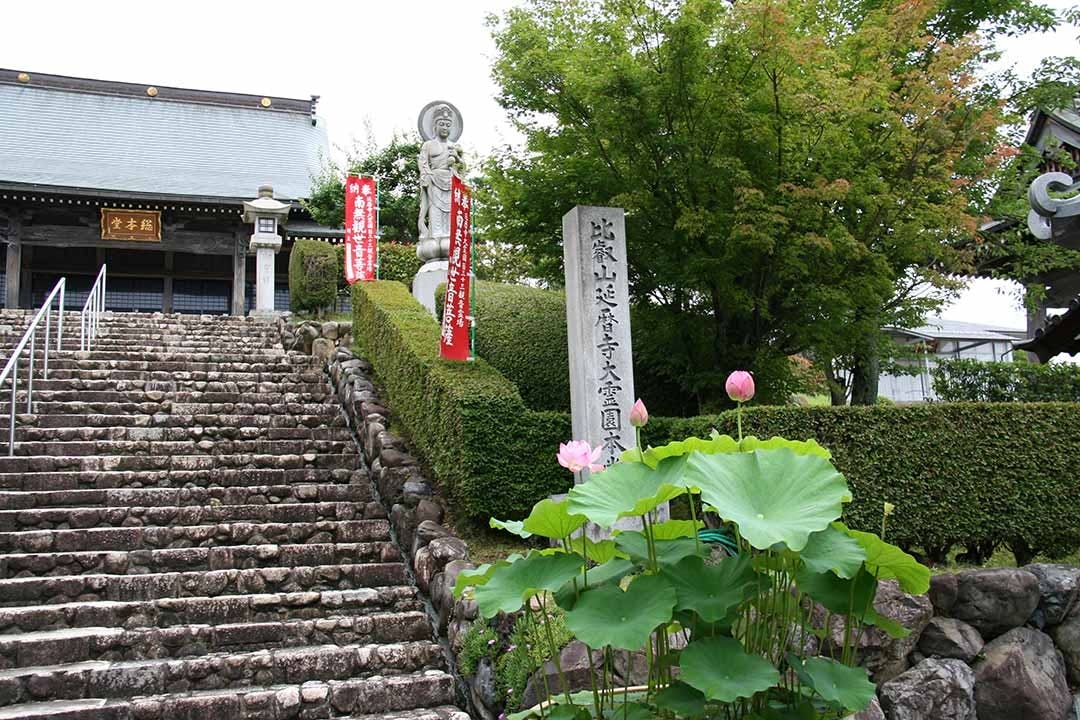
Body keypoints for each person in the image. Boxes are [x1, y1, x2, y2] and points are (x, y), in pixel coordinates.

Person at [417, 104, 463, 240]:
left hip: (451, 180)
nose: (445, 127)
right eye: (441, 124)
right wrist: (427, 176)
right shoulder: (428, 145)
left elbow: (462, 168)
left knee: (450, 211)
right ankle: (436, 236)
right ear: (435, 126)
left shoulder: (454, 146)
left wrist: (458, 159)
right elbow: (423, 163)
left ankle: (449, 236)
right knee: (435, 209)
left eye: (448, 125)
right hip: (434, 180)